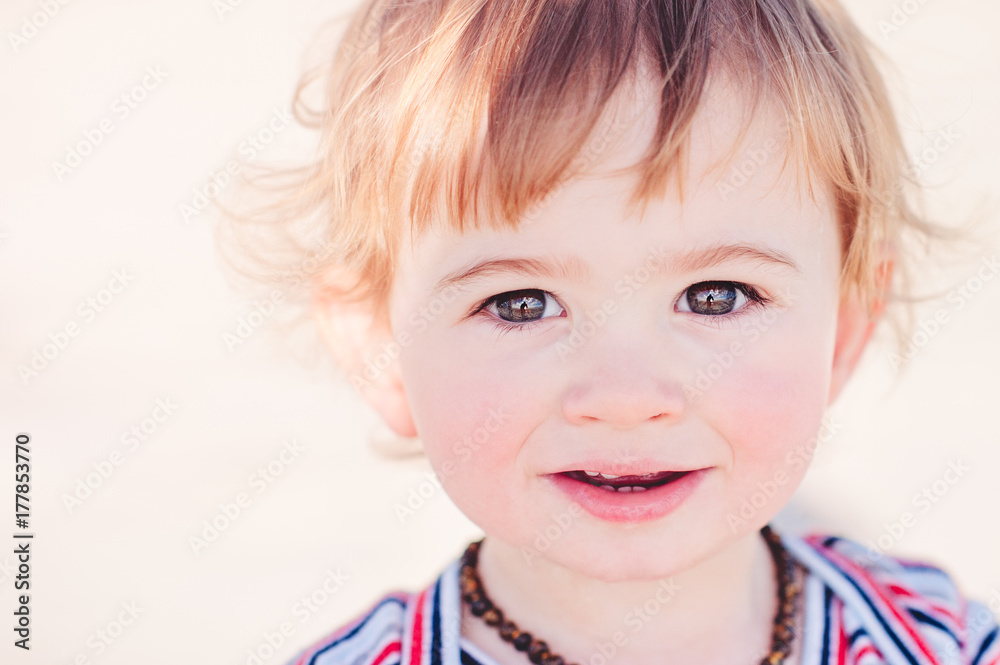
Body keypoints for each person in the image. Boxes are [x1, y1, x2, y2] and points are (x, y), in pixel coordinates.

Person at [218, 1, 1000, 664]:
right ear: (380, 350)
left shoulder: (939, 643)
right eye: (520, 303)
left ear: (844, 330)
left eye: (717, 296)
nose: (625, 397)